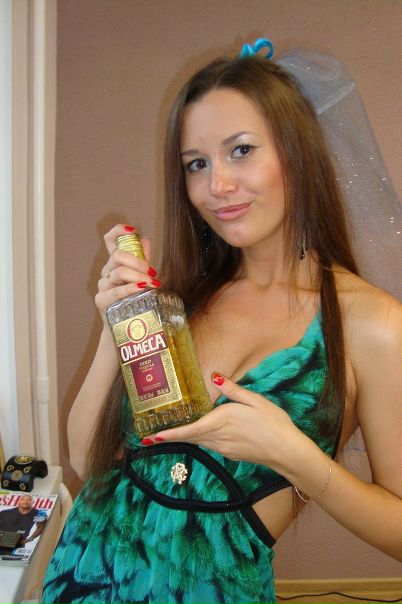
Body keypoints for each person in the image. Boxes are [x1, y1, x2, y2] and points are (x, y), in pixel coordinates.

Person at [42, 40, 402, 604]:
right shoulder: (180, 301)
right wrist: (119, 325)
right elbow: (90, 463)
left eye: (241, 150)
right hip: (82, 577)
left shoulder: (371, 325)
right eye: (197, 164)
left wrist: (295, 457)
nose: (218, 186)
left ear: (298, 153)